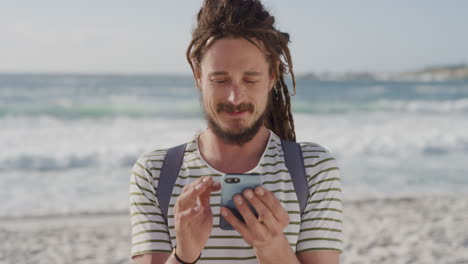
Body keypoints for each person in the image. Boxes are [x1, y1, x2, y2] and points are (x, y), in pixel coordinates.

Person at [129, 0, 343, 263]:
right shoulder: (155, 173)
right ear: (198, 76)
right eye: (220, 80)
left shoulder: (313, 169)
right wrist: (184, 255)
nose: (234, 97)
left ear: (272, 77)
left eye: (250, 79)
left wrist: (271, 246)